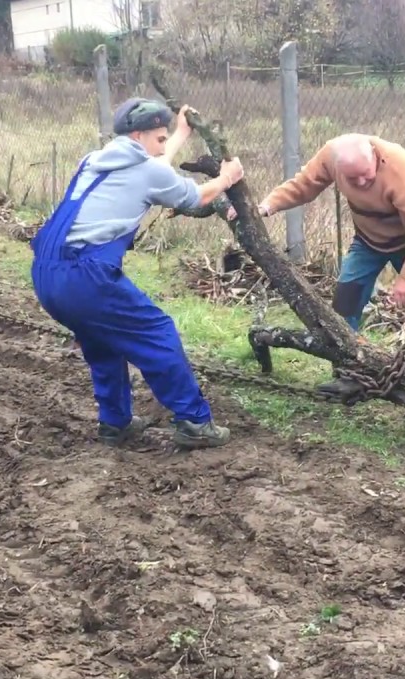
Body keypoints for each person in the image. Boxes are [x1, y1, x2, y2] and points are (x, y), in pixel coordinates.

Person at [31, 98, 245, 449]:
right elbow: (194, 197)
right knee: (157, 332)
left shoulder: (94, 161)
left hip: (46, 272)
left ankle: (115, 423)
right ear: (138, 134)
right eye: (159, 138)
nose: (164, 145)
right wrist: (226, 178)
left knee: (101, 341)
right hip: (85, 277)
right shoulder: (148, 171)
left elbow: (152, 166)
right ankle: (193, 422)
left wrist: (179, 134)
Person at [249, 133, 405, 396]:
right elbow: (303, 185)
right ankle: (350, 373)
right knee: (345, 304)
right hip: (369, 240)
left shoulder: (400, 169)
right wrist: (266, 206)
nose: (360, 183)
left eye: (365, 175)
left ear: (375, 158)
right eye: (351, 179)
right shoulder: (332, 154)